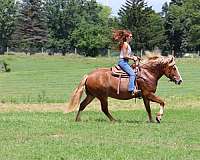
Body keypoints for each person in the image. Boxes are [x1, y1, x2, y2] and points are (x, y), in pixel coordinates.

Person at [113, 29, 141, 96]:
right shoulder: (125, 44)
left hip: (125, 62)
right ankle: (132, 90)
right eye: (130, 36)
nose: (131, 38)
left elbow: (128, 55)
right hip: (123, 62)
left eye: (131, 36)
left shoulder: (127, 44)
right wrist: (132, 58)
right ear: (126, 37)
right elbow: (125, 56)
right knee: (132, 74)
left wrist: (135, 57)